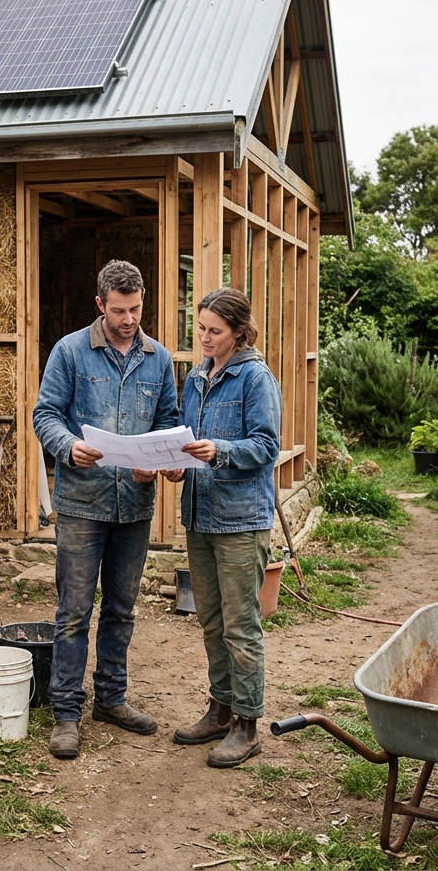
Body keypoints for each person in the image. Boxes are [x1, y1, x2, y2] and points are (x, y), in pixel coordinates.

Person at [33, 260, 178, 760]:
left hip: (134, 505)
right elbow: (45, 414)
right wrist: (68, 447)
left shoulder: (158, 359)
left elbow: (168, 421)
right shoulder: (69, 351)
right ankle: (66, 712)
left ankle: (111, 699)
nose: (129, 320)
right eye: (119, 311)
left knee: (121, 609)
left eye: (136, 309)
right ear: (100, 305)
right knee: (74, 612)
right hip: (80, 504)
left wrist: (160, 464)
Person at [162, 287, 281, 768]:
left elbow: (266, 447)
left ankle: (247, 726)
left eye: (214, 330)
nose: (204, 338)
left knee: (240, 626)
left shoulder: (255, 378)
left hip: (239, 520)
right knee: (210, 620)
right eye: (200, 328)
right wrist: (176, 463)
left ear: (238, 331)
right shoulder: (195, 378)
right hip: (199, 514)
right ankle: (220, 708)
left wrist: (221, 451)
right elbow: (186, 437)